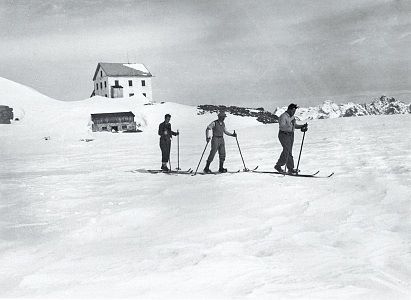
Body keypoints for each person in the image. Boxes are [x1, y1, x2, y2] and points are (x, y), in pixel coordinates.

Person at [274, 103, 308, 174]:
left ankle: (278, 165)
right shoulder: (283, 116)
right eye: (293, 110)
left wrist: (302, 126)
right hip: (284, 134)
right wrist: (290, 123)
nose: (294, 112)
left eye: (295, 111)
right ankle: (290, 168)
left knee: (287, 151)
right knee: (288, 151)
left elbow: (294, 125)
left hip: (291, 135)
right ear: (290, 109)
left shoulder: (292, 117)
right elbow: (282, 126)